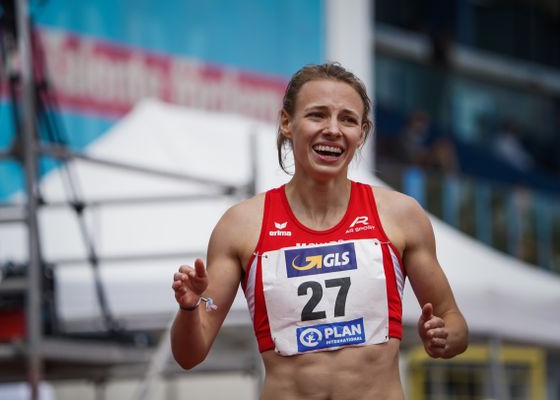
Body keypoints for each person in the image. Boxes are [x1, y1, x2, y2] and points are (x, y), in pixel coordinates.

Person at [171, 62, 468, 399]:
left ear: (362, 133)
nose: (333, 129)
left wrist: (446, 336)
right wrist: (189, 308)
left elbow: (454, 321)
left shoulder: (401, 216)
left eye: (348, 119)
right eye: (317, 115)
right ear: (286, 122)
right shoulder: (242, 225)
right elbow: (189, 355)